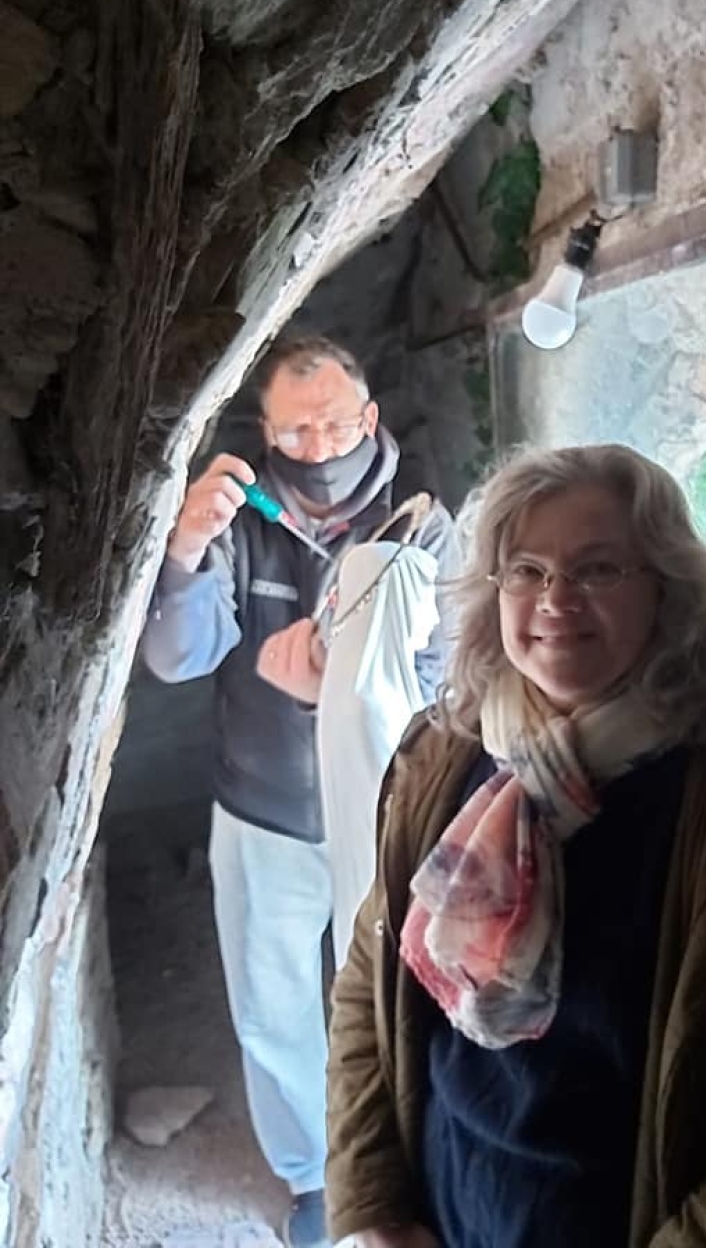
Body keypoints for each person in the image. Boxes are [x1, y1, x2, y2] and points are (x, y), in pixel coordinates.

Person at [325, 443, 706, 1248]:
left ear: (668, 589)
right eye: (526, 569)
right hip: (448, 1218)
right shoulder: (444, 757)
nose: (555, 599)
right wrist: (371, 1208)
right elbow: (368, 982)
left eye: (598, 569)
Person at [141, 335, 460, 1248]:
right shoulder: (243, 517)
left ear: (368, 418)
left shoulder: (419, 520)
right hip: (263, 806)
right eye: (294, 429)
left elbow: (446, 674)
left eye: (331, 424)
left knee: (404, 991)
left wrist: (345, 693)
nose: (316, 445)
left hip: (391, 805)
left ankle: (401, 1159)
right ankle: (310, 1175)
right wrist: (187, 547)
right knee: (275, 1003)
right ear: (265, 431)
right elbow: (179, 655)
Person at [316, 538, 442, 970]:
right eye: (424, 595)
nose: (435, 614)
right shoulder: (373, 706)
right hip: (388, 881)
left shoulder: (366, 692)